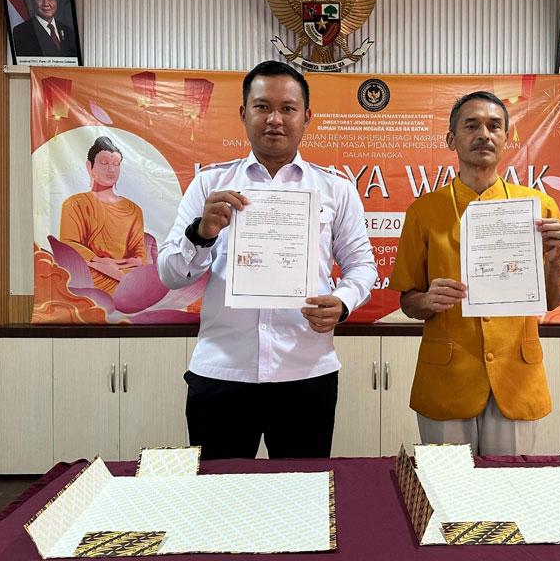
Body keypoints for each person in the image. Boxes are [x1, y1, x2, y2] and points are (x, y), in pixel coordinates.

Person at [157, 60, 377, 460]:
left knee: (302, 490)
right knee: (217, 490)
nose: (275, 119)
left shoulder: (335, 189)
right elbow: (170, 272)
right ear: (244, 113)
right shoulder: (210, 184)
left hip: (305, 372)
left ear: (307, 117)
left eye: (288, 108)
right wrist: (202, 233)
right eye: (262, 107)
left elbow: (362, 265)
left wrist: (343, 302)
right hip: (222, 371)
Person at [389, 91, 560, 456]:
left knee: (509, 483)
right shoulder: (424, 211)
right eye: (471, 126)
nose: (484, 135)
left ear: (506, 138)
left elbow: (553, 300)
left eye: (494, 126)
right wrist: (427, 300)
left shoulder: (538, 208)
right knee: (448, 483)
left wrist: (555, 261)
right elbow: (408, 301)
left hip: (515, 377)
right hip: (447, 377)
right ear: (451, 139)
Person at [59, 136, 145, 295]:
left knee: (148, 278)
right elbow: (68, 244)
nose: (111, 169)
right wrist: (99, 261)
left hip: (124, 271)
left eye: (116, 164)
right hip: (90, 272)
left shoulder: (134, 210)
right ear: (90, 166)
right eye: (104, 163)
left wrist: (131, 261)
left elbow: (140, 253)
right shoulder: (75, 203)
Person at [12, 0, 78, 58]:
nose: (46, 4)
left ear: (56, 2)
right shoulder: (21, 31)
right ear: (32, 1)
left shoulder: (68, 31)